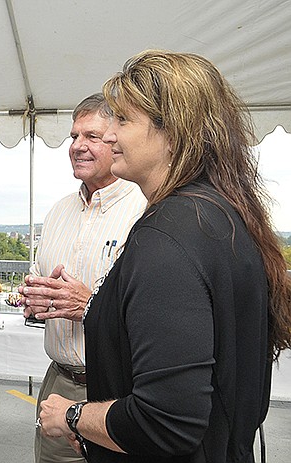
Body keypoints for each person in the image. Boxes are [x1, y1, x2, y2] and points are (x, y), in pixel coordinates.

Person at [39, 50, 291, 462]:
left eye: (122, 120)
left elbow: (166, 421)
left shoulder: (166, 237)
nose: (110, 136)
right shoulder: (218, 214)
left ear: (172, 132)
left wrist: (72, 415)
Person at [19, 93, 146, 463]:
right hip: (59, 383)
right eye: (74, 137)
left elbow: (155, 311)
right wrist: (34, 298)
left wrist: (91, 304)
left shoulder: (145, 208)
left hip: (120, 392)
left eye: (91, 136)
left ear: (117, 139)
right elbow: (41, 282)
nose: (77, 146)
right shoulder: (58, 211)